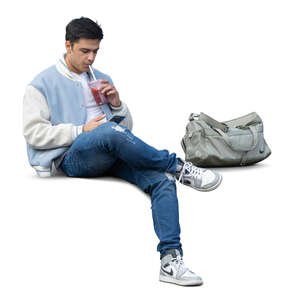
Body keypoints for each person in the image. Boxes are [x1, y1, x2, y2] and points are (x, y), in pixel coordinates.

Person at [23, 17, 222, 286]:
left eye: (95, 51)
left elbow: (125, 132)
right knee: (106, 132)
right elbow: (33, 133)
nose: (91, 58)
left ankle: (170, 260)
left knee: (162, 182)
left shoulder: (102, 78)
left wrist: (116, 105)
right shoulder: (41, 84)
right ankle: (178, 165)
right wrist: (81, 131)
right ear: (67, 45)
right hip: (73, 156)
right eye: (85, 51)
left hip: (111, 149)